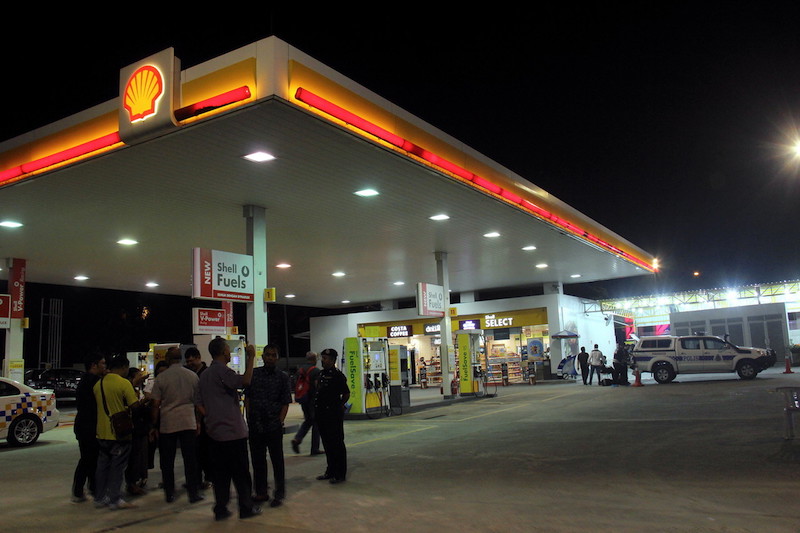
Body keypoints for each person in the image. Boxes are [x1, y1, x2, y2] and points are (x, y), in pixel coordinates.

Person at [198, 337, 260, 521]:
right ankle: (246, 507)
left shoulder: (204, 375)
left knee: (220, 475)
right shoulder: (222, 371)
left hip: (214, 432)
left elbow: (199, 404)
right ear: (224, 351)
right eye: (228, 349)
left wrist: (211, 416)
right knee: (241, 473)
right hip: (232, 432)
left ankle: (221, 508)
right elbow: (245, 381)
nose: (229, 352)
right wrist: (251, 357)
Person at [150, 347, 204, 504]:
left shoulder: (161, 378)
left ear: (167, 359)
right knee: (190, 460)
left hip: (168, 423)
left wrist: (154, 425)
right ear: (180, 358)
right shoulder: (192, 376)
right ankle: (193, 493)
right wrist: (198, 421)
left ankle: (169, 493)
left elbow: (155, 404)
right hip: (188, 421)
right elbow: (198, 402)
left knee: (167, 461)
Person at [245, 344, 291, 507]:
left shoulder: (283, 377)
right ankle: (261, 492)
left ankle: (279, 492)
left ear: (277, 358)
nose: (270, 358)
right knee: (258, 461)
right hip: (256, 425)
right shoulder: (254, 374)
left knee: (277, 460)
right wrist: (249, 418)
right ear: (262, 357)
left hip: (273, 426)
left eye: (273, 355)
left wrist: (279, 421)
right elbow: (248, 398)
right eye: (268, 355)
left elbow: (286, 402)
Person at [93, 354, 140, 510]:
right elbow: (135, 406)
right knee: (117, 467)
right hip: (119, 433)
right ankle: (115, 499)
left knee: (102, 466)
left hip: (101, 432)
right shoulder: (124, 383)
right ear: (124, 367)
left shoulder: (98, 384)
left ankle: (100, 497)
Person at [71, 352, 107, 503]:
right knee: (88, 459)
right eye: (103, 363)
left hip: (83, 425)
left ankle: (92, 488)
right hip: (89, 426)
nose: (105, 367)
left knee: (91, 459)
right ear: (94, 365)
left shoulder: (85, 380)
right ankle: (79, 491)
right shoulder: (94, 381)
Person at [315, 348, 350, 485]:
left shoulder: (338, 376)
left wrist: (339, 405)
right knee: (327, 443)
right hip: (322, 414)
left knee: (337, 444)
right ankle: (330, 471)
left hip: (333, 414)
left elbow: (346, 394)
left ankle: (340, 474)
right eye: (322, 358)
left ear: (333, 360)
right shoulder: (321, 374)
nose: (323, 361)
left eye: (326, 358)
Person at [183, 346, 211, 489]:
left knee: (205, 450)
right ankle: (196, 479)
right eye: (187, 362)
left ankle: (209, 478)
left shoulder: (205, 374)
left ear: (199, 358)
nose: (189, 364)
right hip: (192, 417)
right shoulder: (189, 374)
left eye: (191, 361)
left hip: (205, 418)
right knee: (195, 451)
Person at [124, 367, 150, 496]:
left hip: (141, 427)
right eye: (139, 375)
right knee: (134, 456)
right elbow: (134, 408)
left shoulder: (139, 389)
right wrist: (145, 401)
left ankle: (139, 479)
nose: (142, 377)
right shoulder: (129, 389)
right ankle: (132, 483)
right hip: (133, 428)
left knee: (141, 455)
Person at [291, 351, 322, 457]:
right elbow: (317, 386)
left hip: (303, 399)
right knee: (316, 423)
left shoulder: (299, 370)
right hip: (313, 401)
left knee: (308, 420)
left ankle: (297, 439)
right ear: (314, 359)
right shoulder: (315, 371)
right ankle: (315, 448)